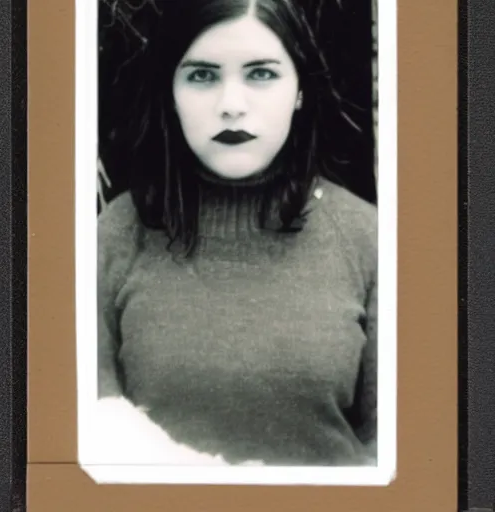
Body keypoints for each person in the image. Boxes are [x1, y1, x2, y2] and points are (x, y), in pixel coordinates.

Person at [95, 0, 378, 467]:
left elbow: (405, 460)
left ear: (301, 90)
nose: (231, 106)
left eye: (261, 74)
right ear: (171, 90)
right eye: (202, 75)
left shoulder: (369, 240)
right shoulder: (114, 236)